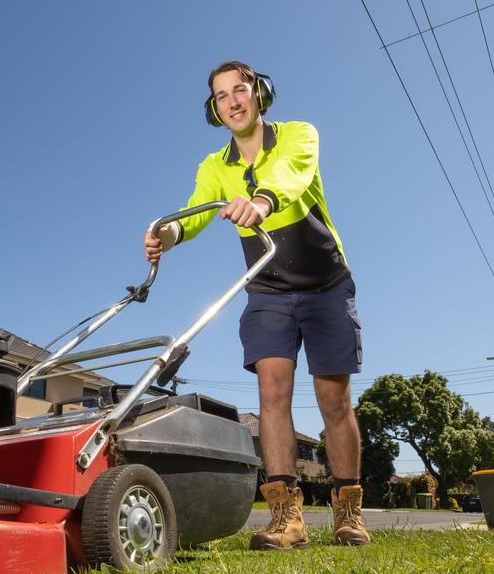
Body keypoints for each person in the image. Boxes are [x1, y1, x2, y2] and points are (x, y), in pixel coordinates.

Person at [143, 61, 370, 550]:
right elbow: (198, 209)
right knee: (272, 393)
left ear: (259, 94)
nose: (233, 101)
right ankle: (287, 519)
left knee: (334, 399)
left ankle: (348, 512)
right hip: (267, 289)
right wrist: (169, 233)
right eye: (222, 96)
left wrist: (262, 201)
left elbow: (293, 174)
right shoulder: (215, 167)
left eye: (240, 90)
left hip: (326, 282)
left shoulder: (297, 135)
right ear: (215, 109)